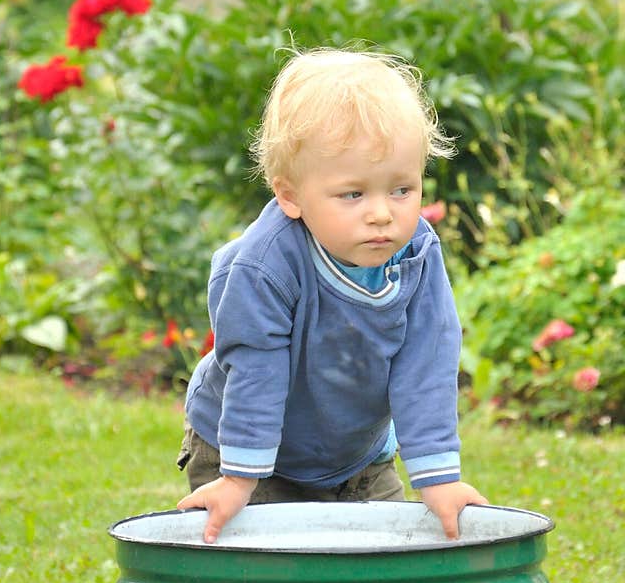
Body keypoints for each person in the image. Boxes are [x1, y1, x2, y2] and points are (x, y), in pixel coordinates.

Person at [176, 46, 488, 544]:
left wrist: (438, 477)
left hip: (355, 457)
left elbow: (427, 362)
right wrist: (238, 478)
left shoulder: (417, 255)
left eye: (402, 189)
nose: (382, 213)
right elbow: (256, 367)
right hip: (246, 448)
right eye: (353, 194)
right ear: (291, 196)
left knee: (381, 574)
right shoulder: (266, 264)